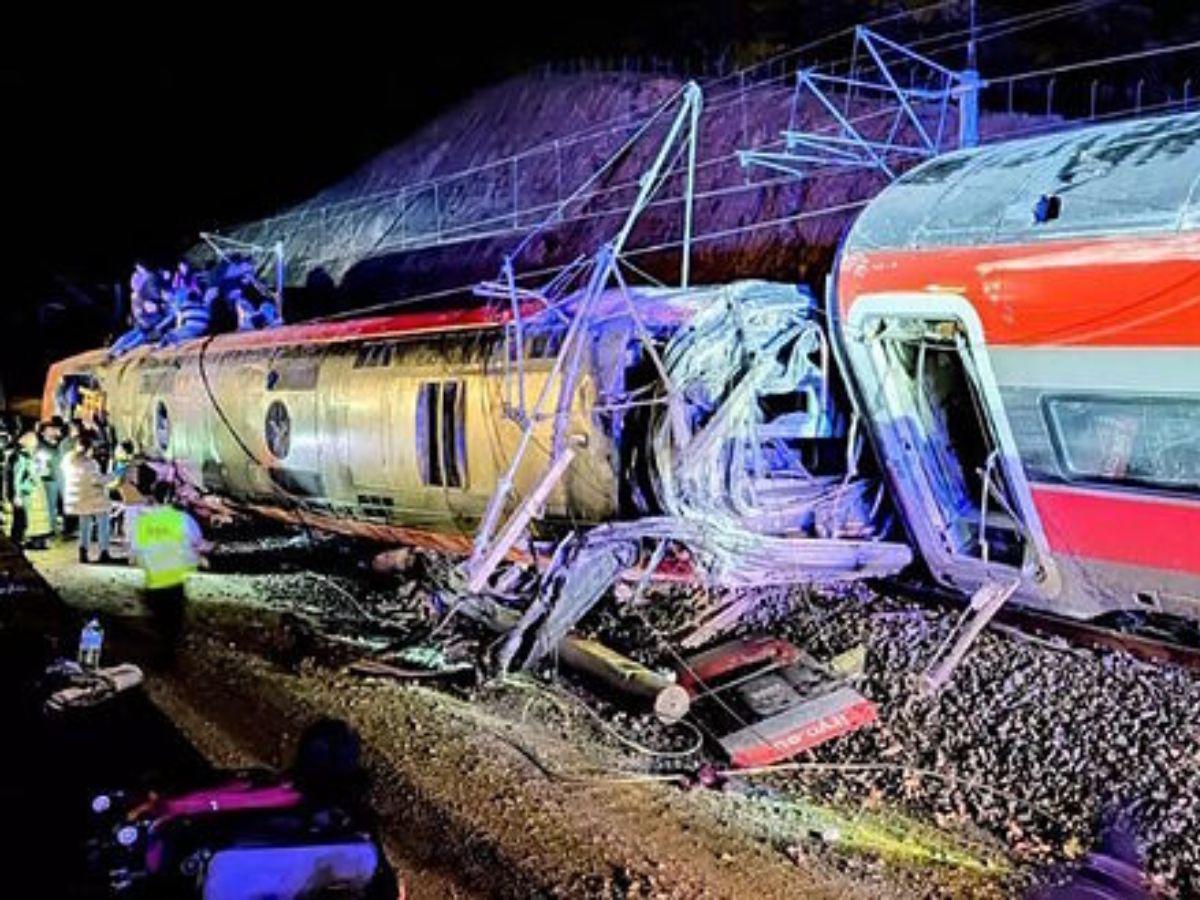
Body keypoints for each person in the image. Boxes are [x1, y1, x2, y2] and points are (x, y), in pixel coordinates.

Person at [130, 481, 205, 639]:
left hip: (153, 582)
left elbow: (136, 552)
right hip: (174, 583)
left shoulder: (144, 522)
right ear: (172, 498)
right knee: (173, 629)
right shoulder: (182, 519)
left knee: (157, 629)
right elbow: (197, 542)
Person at [62, 434, 114, 565]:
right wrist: (113, 475)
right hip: (92, 498)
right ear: (89, 449)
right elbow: (97, 480)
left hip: (78, 499)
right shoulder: (89, 463)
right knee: (103, 521)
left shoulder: (68, 460)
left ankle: (83, 551)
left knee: (84, 524)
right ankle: (104, 551)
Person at [11, 432, 52, 549]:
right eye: (33, 440)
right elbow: (18, 477)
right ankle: (29, 539)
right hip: (29, 491)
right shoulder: (23, 457)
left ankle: (38, 540)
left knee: (38, 516)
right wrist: (17, 494)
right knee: (30, 517)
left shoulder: (34, 455)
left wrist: (43, 469)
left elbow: (42, 472)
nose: (36, 442)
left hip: (37, 490)